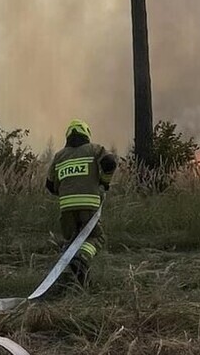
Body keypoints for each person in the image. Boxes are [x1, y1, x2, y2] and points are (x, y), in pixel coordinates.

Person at [45, 118, 117, 288]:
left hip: (66, 208)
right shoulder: (95, 149)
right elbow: (110, 163)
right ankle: (82, 259)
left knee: (72, 240)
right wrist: (104, 182)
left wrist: (65, 191)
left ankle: (71, 280)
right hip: (88, 205)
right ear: (86, 134)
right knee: (96, 237)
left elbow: (50, 185)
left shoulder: (59, 156)